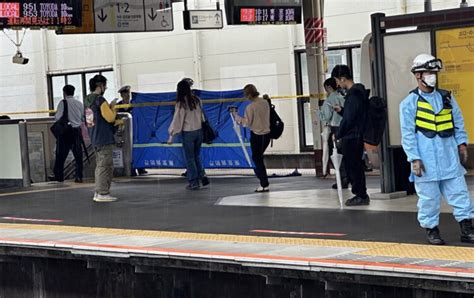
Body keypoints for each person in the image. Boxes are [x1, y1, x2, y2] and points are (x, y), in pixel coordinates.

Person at [400, 53, 474, 245]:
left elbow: (458, 122)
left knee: (460, 194)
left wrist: (462, 143)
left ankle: (467, 228)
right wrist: (414, 158)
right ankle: (431, 230)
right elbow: (407, 134)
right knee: (428, 199)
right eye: (429, 72)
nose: (433, 75)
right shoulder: (408, 104)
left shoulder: (447, 98)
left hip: (449, 158)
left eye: (434, 72)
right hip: (425, 162)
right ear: (418, 75)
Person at [332, 65, 370, 206]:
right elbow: (353, 114)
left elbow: (349, 119)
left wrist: (338, 133)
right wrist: (342, 110)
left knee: (353, 166)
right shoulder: (359, 93)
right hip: (356, 134)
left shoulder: (353, 94)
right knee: (355, 165)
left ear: (343, 79)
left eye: (337, 80)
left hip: (351, 136)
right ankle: (360, 193)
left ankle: (360, 194)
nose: (337, 84)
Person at [168, 79, 209, 190]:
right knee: (196, 156)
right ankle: (202, 176)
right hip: (199, 131)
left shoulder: (181, 103)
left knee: (190, 158)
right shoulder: (197, 100)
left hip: (188, 133)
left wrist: (171, 134)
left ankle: (194, 182)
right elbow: (202, 117)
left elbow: (177, 120)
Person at [231, 84, 271, 192]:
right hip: (267, 135)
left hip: (257, 135)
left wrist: (236, 116)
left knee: (257, 158)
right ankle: (263, 181)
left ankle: (264, 183)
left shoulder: (251, 107)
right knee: (258, 158)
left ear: (248, 95)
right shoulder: (265, 102)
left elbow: (246, 123)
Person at [88, 75, 119, 202]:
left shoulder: (87, 100)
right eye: (105, 85)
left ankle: (98, 192)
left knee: (100, 165)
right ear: (99, 86)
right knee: (105, 166)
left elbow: (90, 121)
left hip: (94, 136)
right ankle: (103, 193)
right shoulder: (100, 100)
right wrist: (113, 107)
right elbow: (110, 118)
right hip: (104, 137)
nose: (106, 87)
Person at [319, 77, 348, 189]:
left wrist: (319, 113)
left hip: (335, 129)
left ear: (328, 87)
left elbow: (326, 116)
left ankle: (342, 179)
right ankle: (347, 177)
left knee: (336, 155)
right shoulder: (343, 97)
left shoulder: (329, 101)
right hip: (345, 128)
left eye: (326, 88)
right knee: (345, 155)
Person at [52, 85, 85, 183]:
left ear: (64, 92)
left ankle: (59, 176)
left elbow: (58, 117)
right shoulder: (79, 103)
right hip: (77, 131)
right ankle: (79, 176)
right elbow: (83, 118)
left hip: (65, 132)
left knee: (61, 154)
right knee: (78, 155)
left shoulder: (63, 103)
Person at [116, 85, 147, 176]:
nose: (127, 95)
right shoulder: (118, 105)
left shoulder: (134, 104)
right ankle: (131, 169)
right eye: (125, 93)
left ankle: (140, 168)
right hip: (124, 132)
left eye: (128, 93)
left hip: (136, 130)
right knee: (127, 151)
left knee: (137, 148)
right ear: (121, 95)